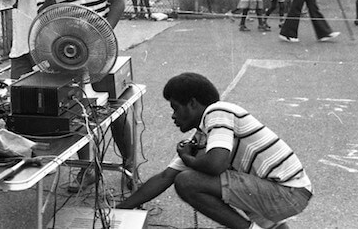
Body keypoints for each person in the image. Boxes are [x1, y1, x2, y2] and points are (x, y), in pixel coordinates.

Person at [116, 72, 313, 229]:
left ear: (193, 103)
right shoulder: (203, 135)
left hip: (287, 191)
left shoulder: (218, 111)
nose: (173, 116)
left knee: (187, 181)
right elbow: (165, 177)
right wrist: (119, 210)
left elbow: (215, 164)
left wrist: (187, 158)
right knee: (193, 176)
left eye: (175, 108)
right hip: (286, 192)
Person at [34, 0, 134, 193]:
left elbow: (117, 2)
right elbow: (44, 17)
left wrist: (101, 36)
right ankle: (87, 170)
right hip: (68, 54)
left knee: (115, 110)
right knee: (75, 110)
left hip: (100, 50)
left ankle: (129, 165)